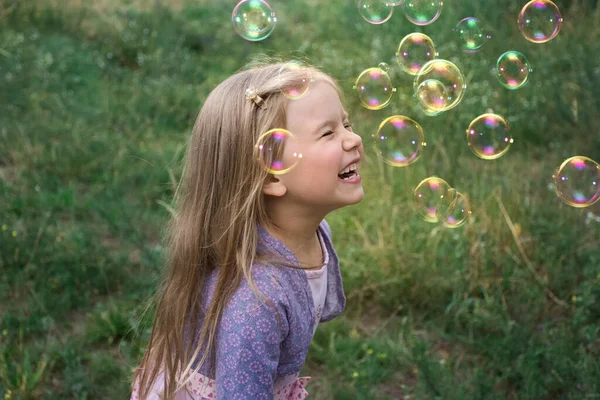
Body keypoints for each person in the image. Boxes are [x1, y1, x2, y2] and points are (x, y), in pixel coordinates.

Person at [130, 58, 364, 400]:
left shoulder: (316, 232)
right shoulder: (257, 303)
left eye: (347, 124)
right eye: (328, 132)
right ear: (271, 175)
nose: (353, 139)